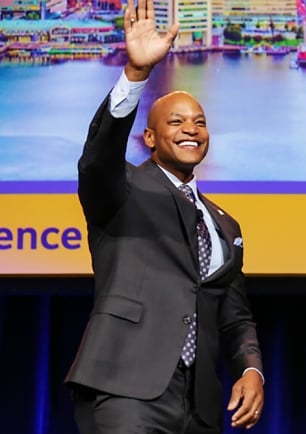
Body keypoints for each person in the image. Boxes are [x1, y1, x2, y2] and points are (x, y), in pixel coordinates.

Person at [65, 0, 264, 432]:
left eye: (200, 121)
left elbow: (235, 315)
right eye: (175, 122)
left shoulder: (224, 225)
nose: (190, 128)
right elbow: (96, 160)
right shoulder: (123, 188)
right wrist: (136, 75)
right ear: (150, 137)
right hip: (126, 387)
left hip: (200, 405)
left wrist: (251, 370)